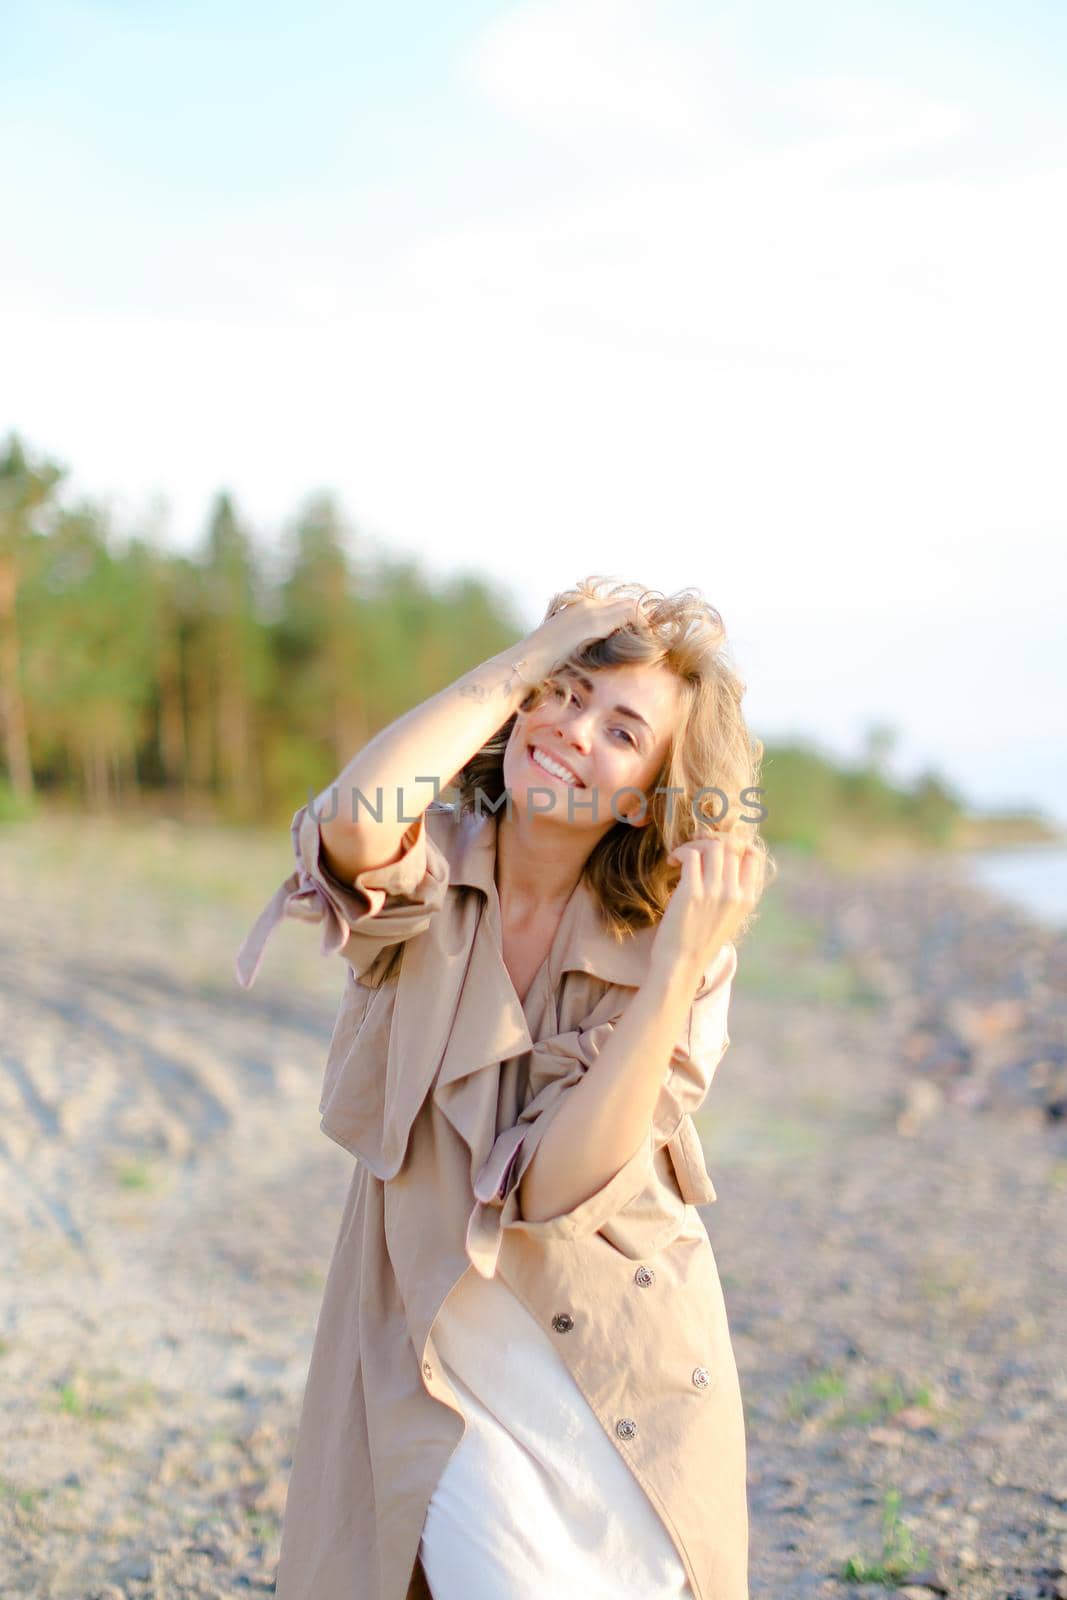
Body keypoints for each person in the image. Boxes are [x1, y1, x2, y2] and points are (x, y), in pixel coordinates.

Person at [235, 576, 772, 1600]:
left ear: (646, 793)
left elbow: (556, 1186)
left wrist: (668, 973)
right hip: (429, 1344)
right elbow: (350, 823)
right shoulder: (430, 859)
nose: (571, 731)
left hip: (607, 1369)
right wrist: (532, 655)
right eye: (562, 693)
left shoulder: (678, 944)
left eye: (621, 731)